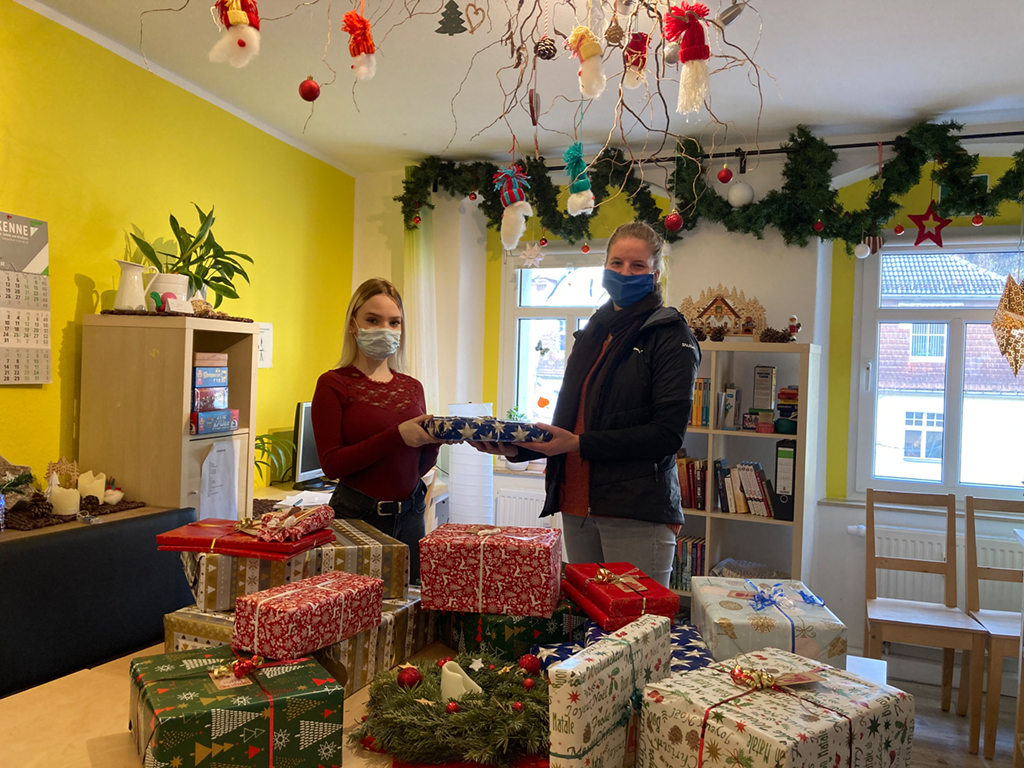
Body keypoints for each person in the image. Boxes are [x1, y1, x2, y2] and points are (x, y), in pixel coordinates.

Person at [473, 222, 700, 587]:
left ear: (655, 274)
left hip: (635, 511)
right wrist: (515, 448)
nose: (625, 272)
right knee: (590, 629)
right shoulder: (592, 332)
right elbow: (575, 425)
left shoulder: (671, 335)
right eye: (617, 263)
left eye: (637, 266)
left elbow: (666, 435)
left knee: (637, 631)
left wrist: (577, 444)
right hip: (577, 505)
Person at [312, 278, 440, 583]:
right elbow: (331, 465)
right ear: (354, 325)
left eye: (394, 322)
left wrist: (435, 441)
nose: (385, 329)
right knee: (356, 617)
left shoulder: (412, 387)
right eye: (373, 320)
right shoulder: (333, 384)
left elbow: (416, 467)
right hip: (356, 517)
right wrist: (396, 436)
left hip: (411, 516)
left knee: (410, 614)